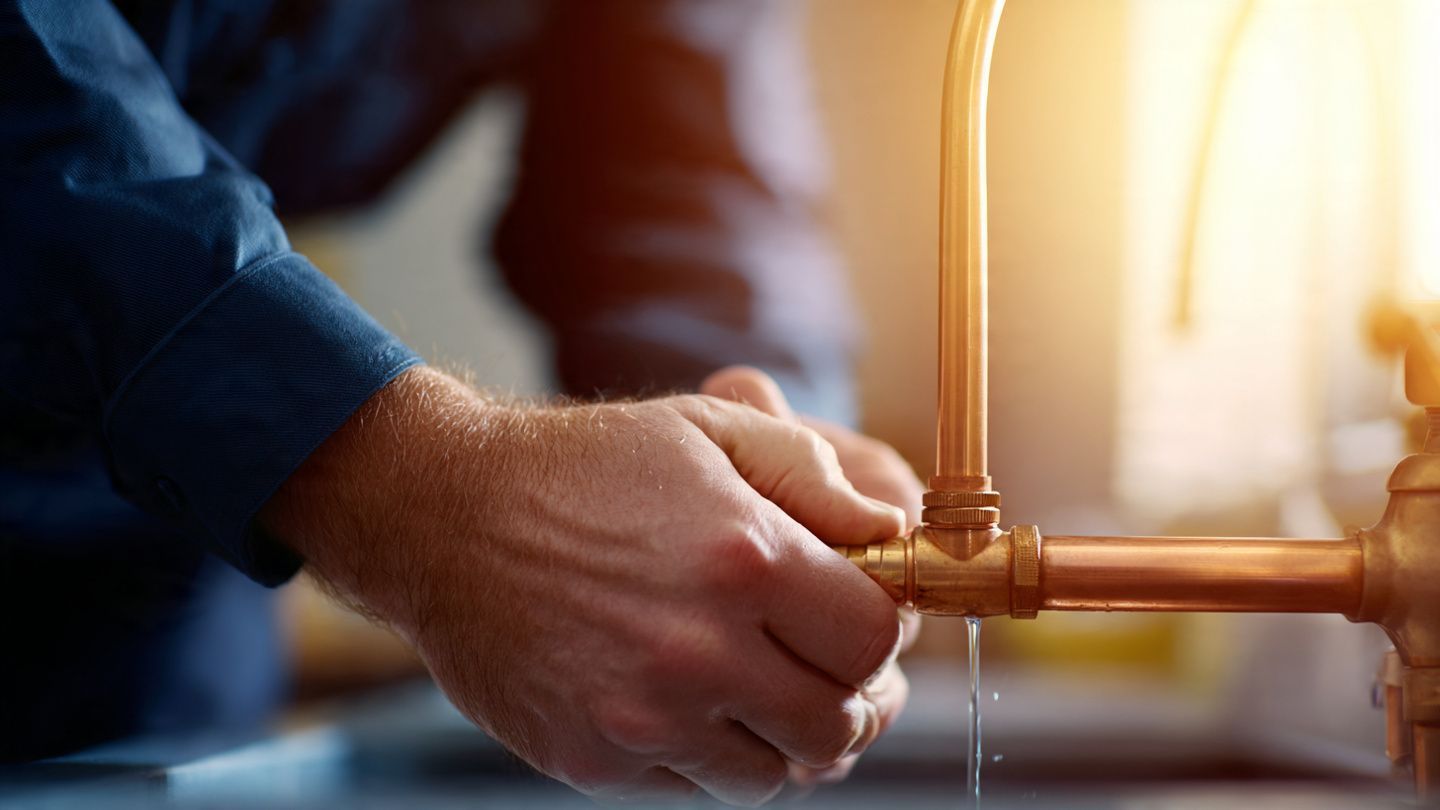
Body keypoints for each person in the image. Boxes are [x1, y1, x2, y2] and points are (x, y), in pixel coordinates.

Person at [0, 1, 923, 804]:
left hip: (169, 559)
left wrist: (776, 480)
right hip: (192, 450)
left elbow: (686, 161)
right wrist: (410, 482)